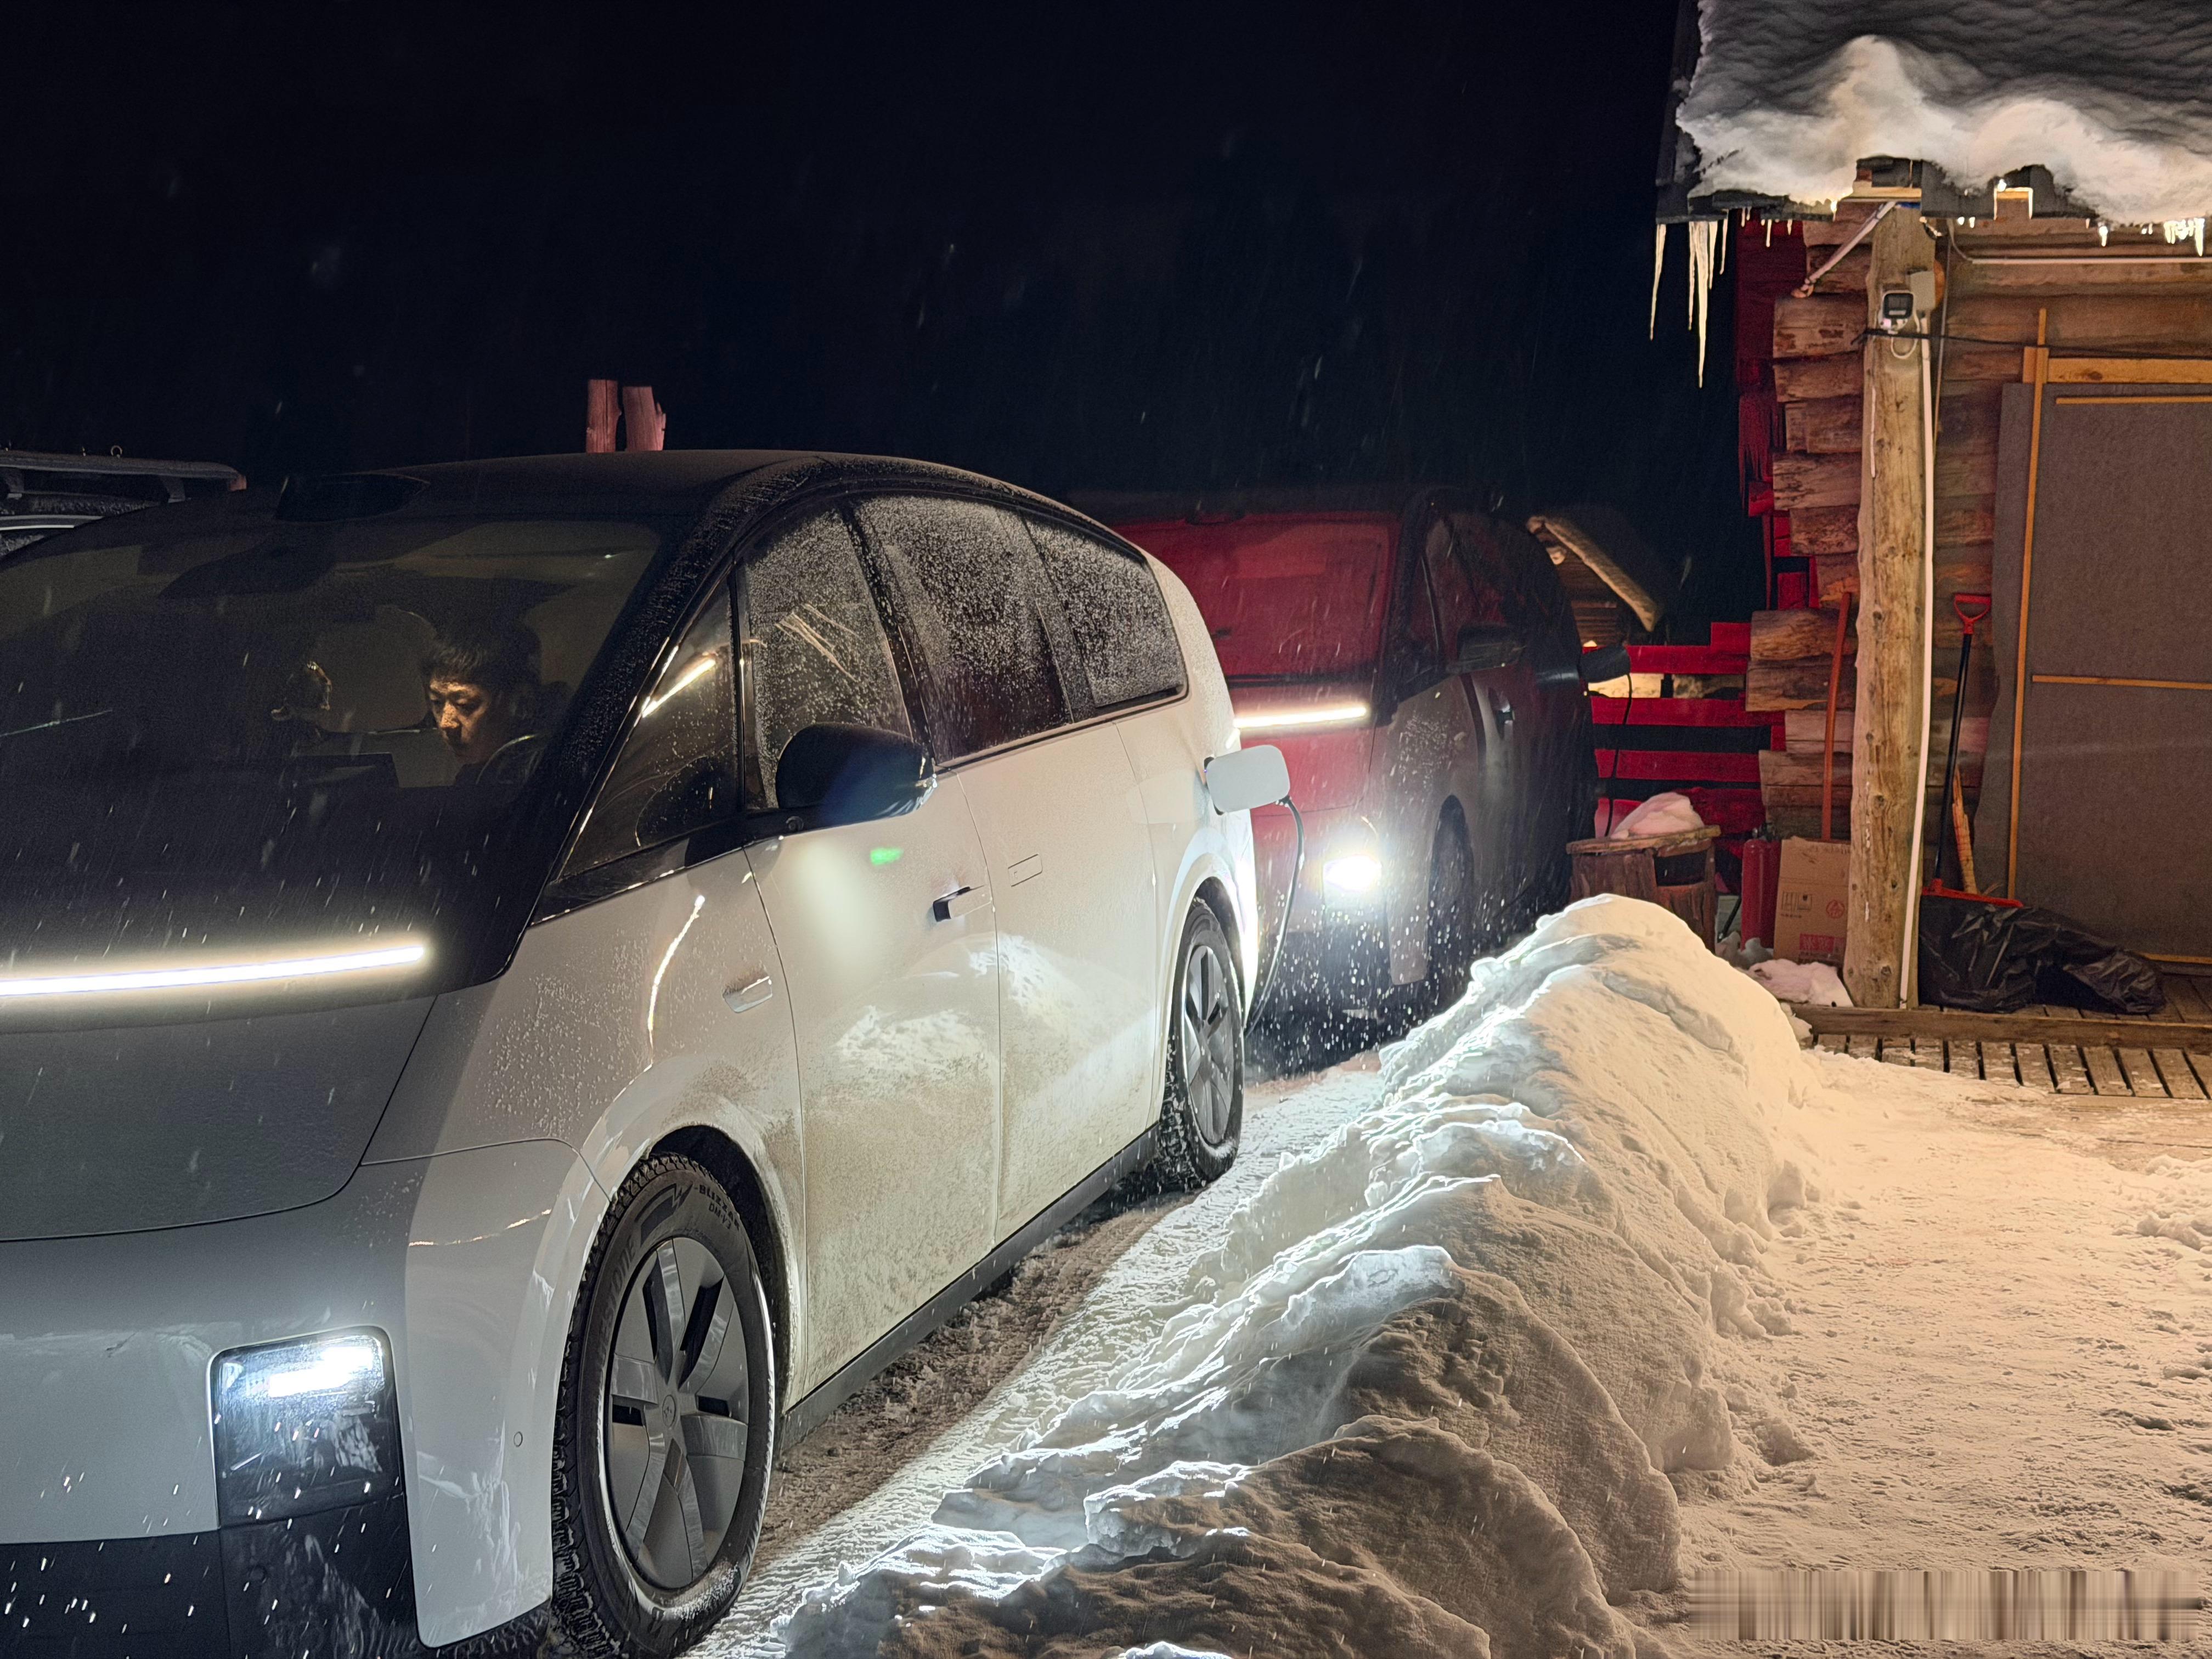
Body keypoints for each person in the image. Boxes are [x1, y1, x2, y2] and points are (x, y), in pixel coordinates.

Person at [422, 622, 548, 786]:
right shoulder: (477, 774)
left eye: (466, 705)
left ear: (521, 702)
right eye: (437, 702)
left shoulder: (547, 776)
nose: (446, 723)